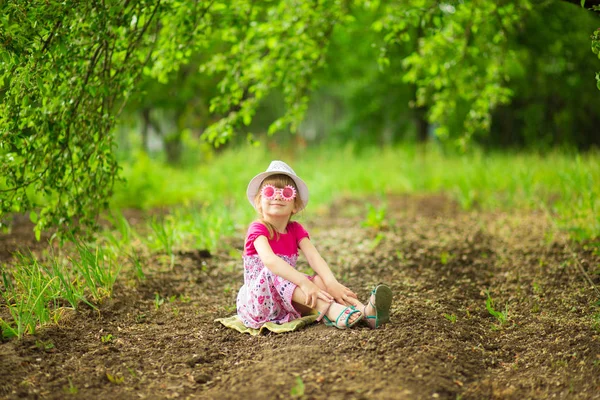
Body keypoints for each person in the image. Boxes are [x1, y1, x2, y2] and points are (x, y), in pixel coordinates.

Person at [236, 160, 392, 330]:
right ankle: (330, 309)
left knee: (319, 281)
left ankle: (365, 311)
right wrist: (304, 283)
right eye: (270, 191)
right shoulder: (258, 228)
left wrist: (331, 283)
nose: (278, 196)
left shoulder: (295, 230)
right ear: (259, 201)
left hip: (285, 302)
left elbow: (314, 258)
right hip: (258, 305)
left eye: (287, 192)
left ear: (295, 206)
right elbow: (270, 261)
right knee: (276, 271)